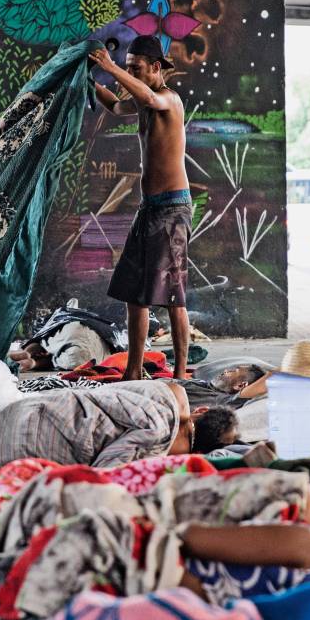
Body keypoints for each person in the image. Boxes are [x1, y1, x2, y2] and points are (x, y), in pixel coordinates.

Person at [89, 35, 191, 381]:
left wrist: (110, 66)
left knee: (173, 297)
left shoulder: (167, 99)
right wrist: (89, 82)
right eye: (127, 66)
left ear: (156, 68)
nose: (129, 72)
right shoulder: (144, 101)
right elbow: (117, 107)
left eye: (136, 68)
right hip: (150, 208)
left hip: (173, 208)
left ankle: (179, 372)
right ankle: (133, 371)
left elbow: (147, 96)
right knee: (135, 294)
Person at [0, 376, 237, 472]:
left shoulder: (163, 397)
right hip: (41, 437)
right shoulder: (161, 434)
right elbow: (106, 471)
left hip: (45, 406)